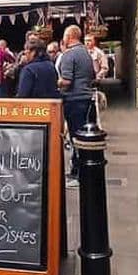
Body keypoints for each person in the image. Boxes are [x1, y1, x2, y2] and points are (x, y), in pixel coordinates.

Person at [58, 26, 96, 187]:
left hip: (73, 100)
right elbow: (92, 75)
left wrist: (55, 82)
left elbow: (66, 81)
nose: (63, 39)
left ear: (69, 36)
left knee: (75, 139)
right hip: (86, 99)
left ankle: (79, 176)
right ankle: (77, 171)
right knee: (82, 138)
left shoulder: (69, 55)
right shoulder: (86, 53)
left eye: (64, 36)